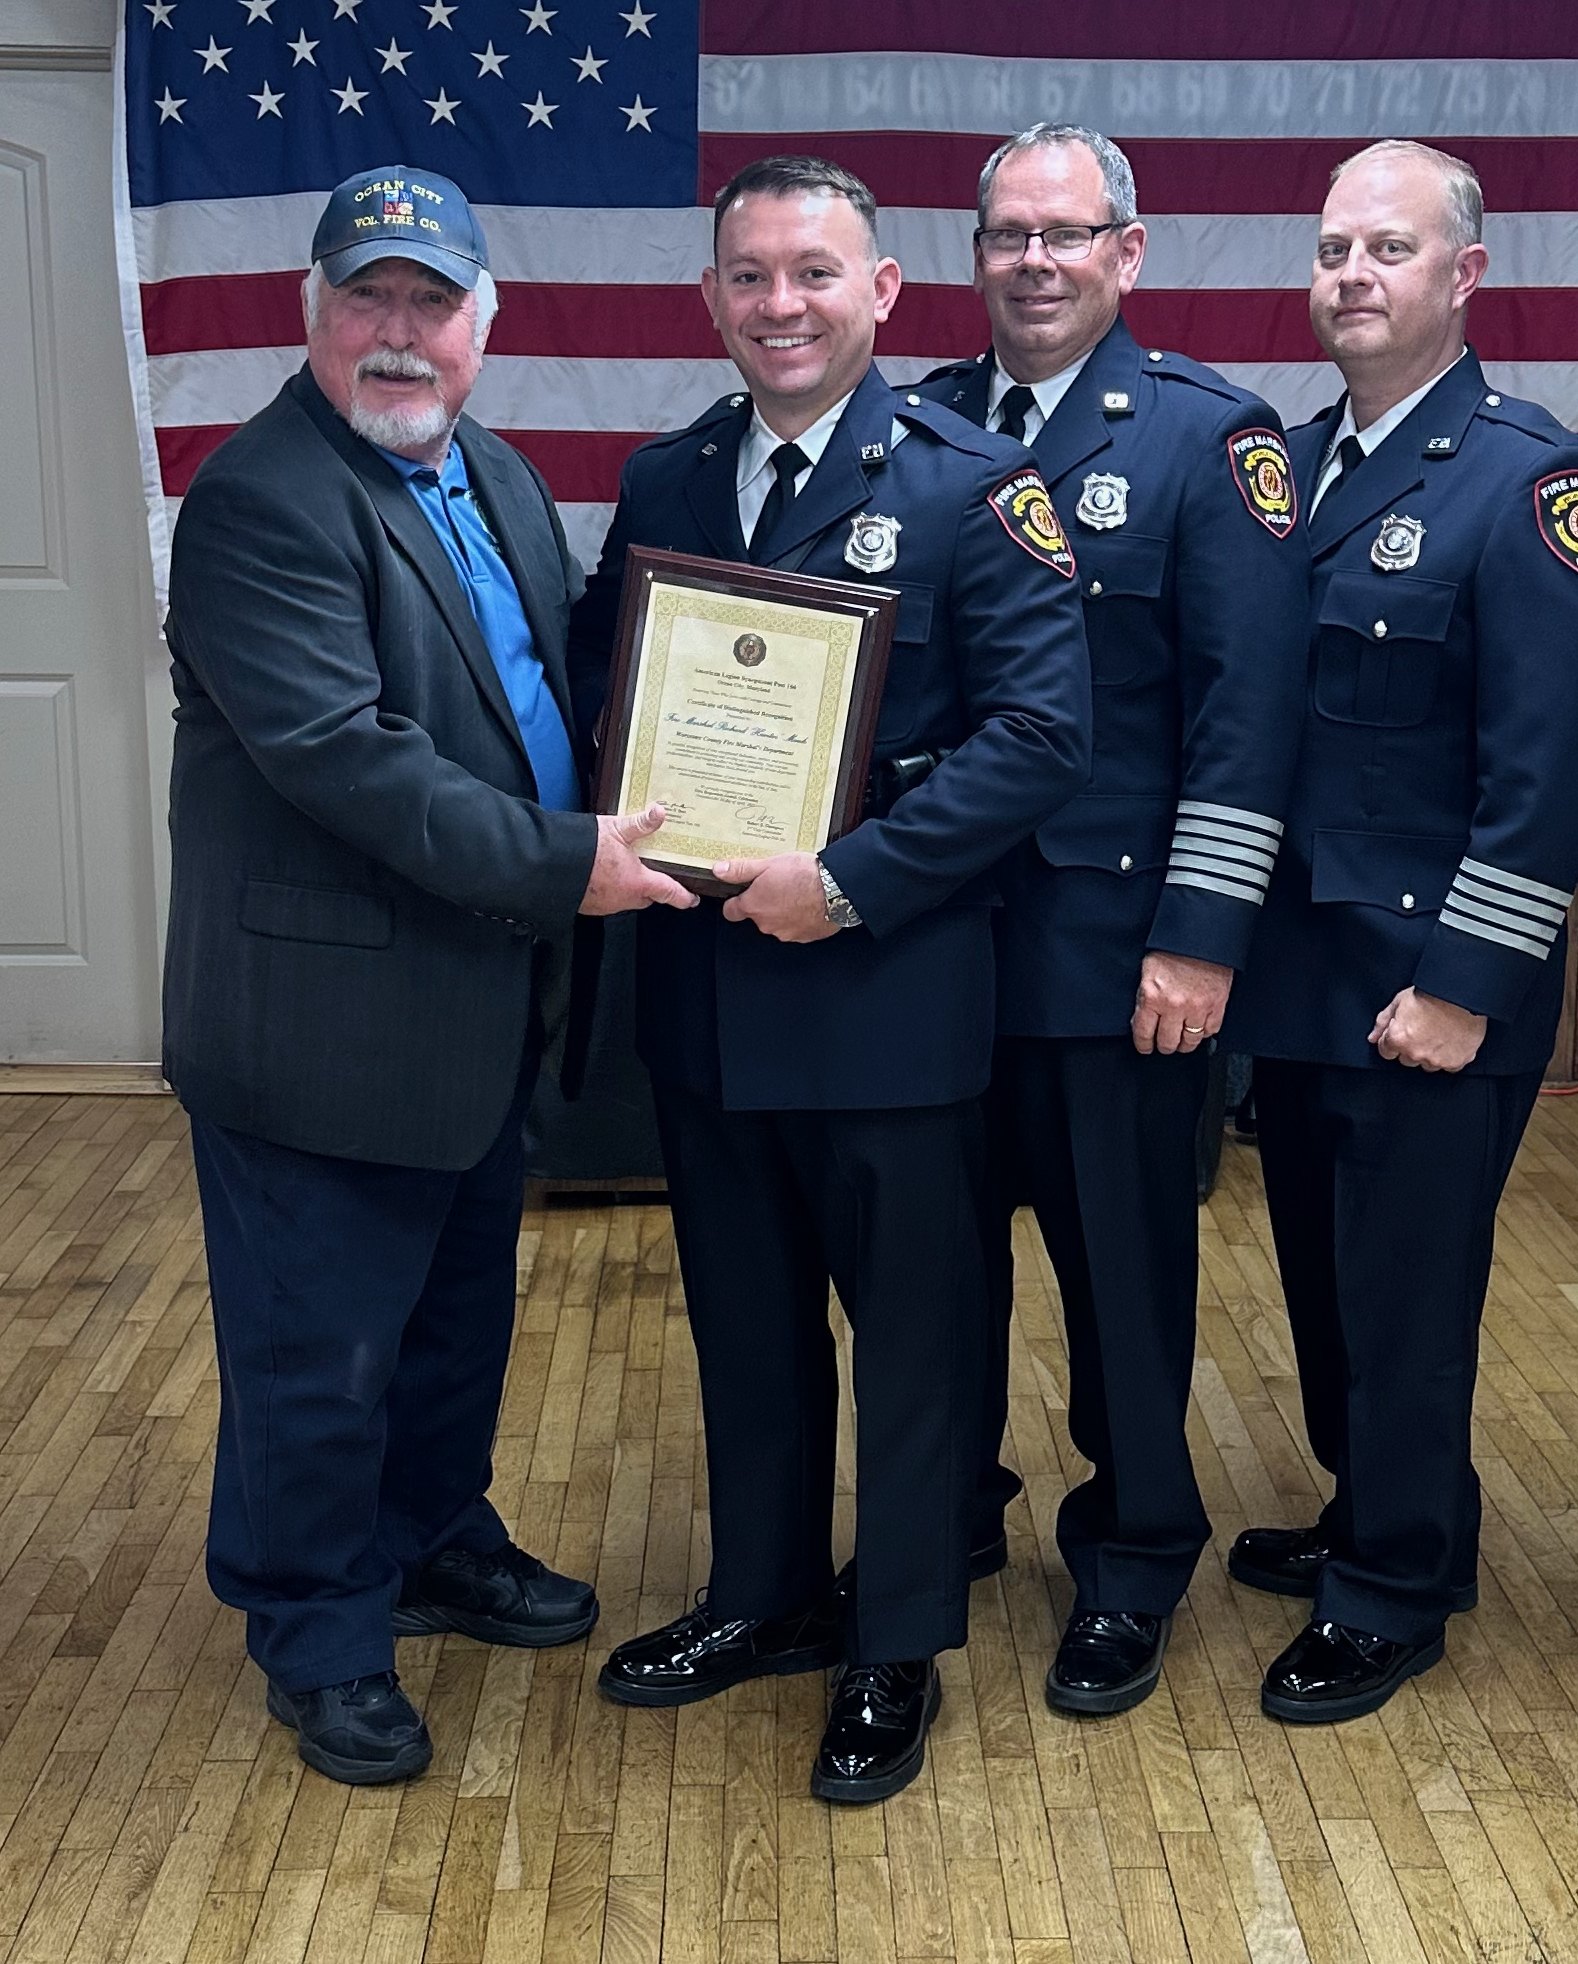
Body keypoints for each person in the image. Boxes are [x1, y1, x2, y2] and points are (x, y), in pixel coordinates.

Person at [567, 156, 1091, 1805]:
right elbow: (604, 684)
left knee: (916, 1339)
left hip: (886, 1000)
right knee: (744, 1320)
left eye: (813, 273)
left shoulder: (972, 484)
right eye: (750, 276)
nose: (780, 304)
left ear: (881, 291)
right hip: (707, 997)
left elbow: (1041, 737)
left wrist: (853, 881)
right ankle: (765, 1594)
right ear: (711, 298)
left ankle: (897, 1643)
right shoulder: (665, 478)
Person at [162, 166, 693, 1786]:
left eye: (431, 302)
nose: (399, 332)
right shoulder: (263, 500)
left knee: (453, 1321)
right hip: (324, 1027)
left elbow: (565, 674)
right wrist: (570, 864)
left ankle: (432, 1539)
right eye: (366, 297)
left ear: (483, 325)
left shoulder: (496, 473)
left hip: (477, 997)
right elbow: (348, 759)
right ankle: (318, 1630)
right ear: (309, 311)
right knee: (319, 1354)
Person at [1220, 140, 1578, 1723]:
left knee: (1405, 1301)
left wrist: (1463, 987)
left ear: (1466, 276)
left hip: (1432, 987)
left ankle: (1391, 1589)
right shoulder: (1293, 466)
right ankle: (1380, 1512)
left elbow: (1551, 773)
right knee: (1329, 1285)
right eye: (1333, 249)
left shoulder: (1533, 483)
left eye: (1387, 249)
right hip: (1305, 973)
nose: (1351, 275)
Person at [913, 124, 1306, 1717]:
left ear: (1126, 253)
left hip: (1116, 957)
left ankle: (1136, 1556)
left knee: (1124, 1284)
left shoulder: (1211, 440)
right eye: (1008, 234)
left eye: (1066, 234)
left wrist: (1201, 935)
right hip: (937, 948)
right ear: (976, 254)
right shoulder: (922, 423)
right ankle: (944, 1515)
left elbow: (1248, 713)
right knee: (931, 1274)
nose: (1035, 262)